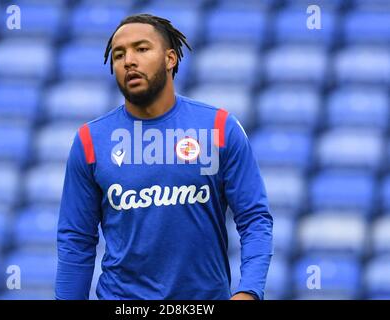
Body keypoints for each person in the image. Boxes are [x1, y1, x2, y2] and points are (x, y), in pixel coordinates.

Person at [55, 13, 273, 300]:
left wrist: (249, 291)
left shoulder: (219, 128)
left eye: (141, 49)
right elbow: (76, 240)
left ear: (170, 59)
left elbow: (254, 218)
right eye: (119, 54)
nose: (128, 60)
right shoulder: (90, 141)